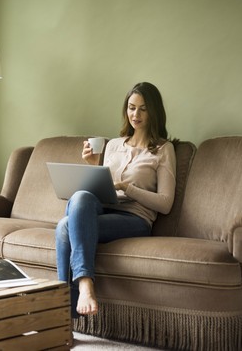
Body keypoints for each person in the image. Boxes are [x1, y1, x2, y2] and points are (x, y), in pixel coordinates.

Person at [55, 81, 177, 317]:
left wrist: (127, 188)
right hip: (103, 209)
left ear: (154, 111)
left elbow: (166, 202)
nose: (136, 114)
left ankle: (70, 307)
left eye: (143, 108)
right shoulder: (112, 145)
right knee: (80, 196)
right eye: (131, 107)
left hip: (135, 219)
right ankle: (84, 287)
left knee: (64, 227)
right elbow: (104, 187)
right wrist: (93, 167)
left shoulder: (163, 149)